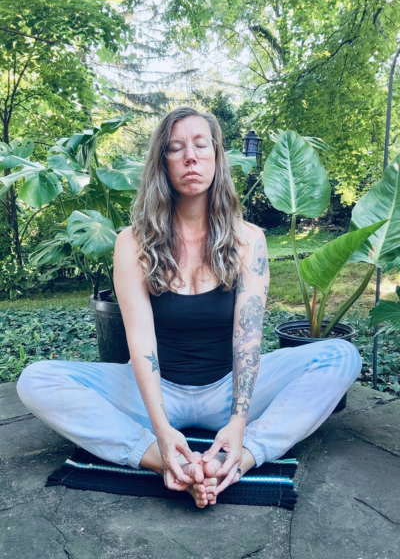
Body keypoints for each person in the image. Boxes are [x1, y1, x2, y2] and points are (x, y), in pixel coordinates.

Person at [16, 107, 362, 509]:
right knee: (36, 379)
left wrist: (238, 423)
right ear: (162, 162)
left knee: (340, 356)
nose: (191, 157)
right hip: (155, 392)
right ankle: (160, 459)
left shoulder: (248, 239)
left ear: (216, 157)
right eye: (176, 148)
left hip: (227, 388)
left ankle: (239, 458)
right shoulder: (132, 242)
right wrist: (161, 429)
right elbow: (139, 340)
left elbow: (248, 339)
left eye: (201, 145)